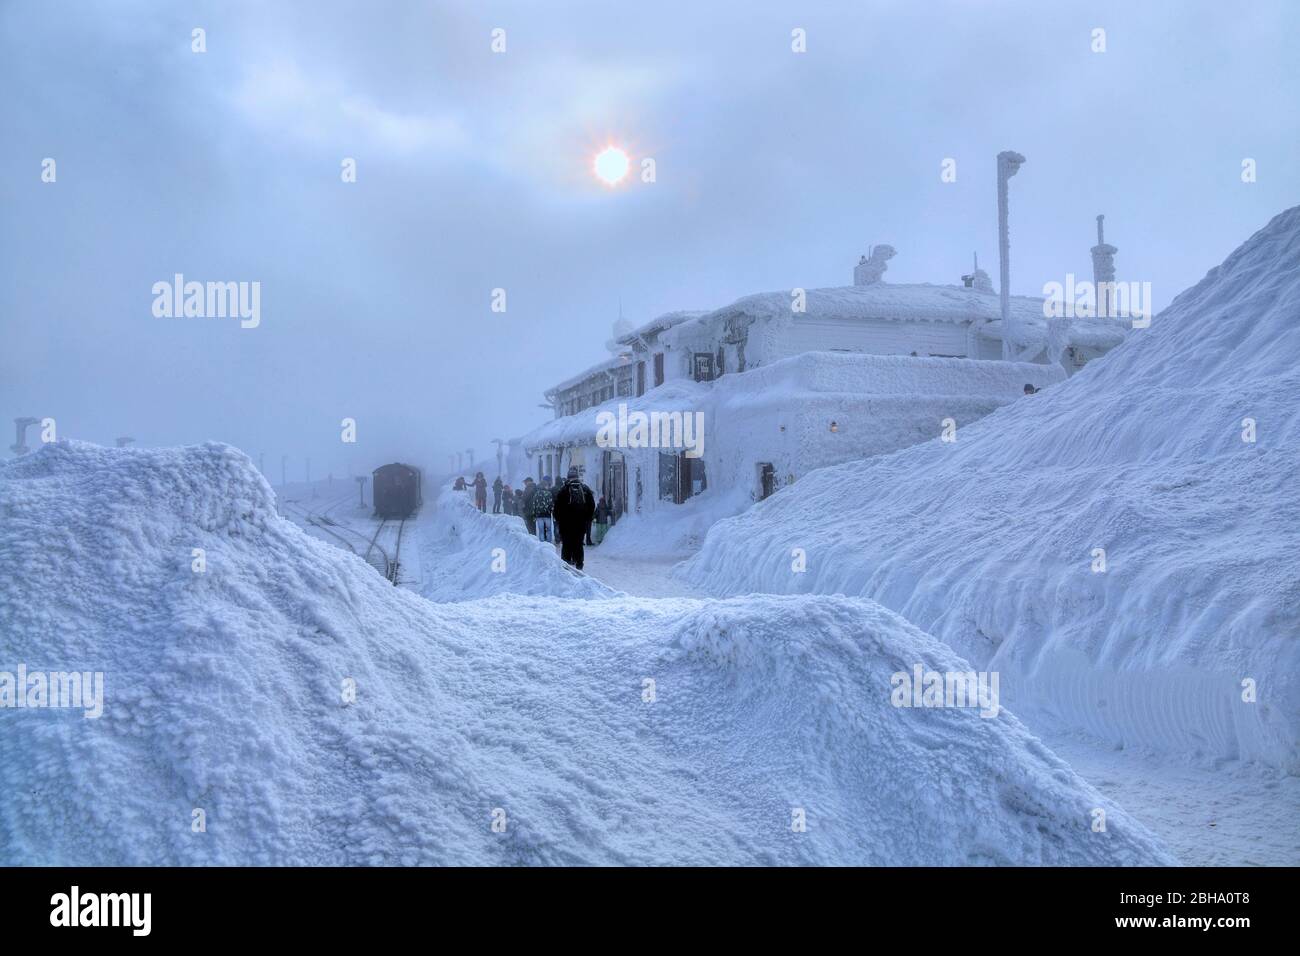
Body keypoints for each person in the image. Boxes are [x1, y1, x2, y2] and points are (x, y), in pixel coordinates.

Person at [553, 466, 596, 570]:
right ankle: (579, 565)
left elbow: (557, 508)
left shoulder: (563, 490)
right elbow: (592, 506)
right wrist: (587, 519)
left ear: (568, 477)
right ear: (577, 477)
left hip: (566, 524)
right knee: (578, 544)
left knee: (567, 544)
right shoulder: (585, 489)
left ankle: (566, 565)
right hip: (580, 523)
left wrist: (559, 520)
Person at [532, 478, 555, 543]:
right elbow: (551, 504)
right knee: (548, 529)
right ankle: (549, 542)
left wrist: (534, 514)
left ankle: (542, 543)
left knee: (541, 530)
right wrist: (552, 513)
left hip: (539, 515)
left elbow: (534, 504)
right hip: (547, 514)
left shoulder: (536, 494)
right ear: (545, 486)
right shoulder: (549, 493)